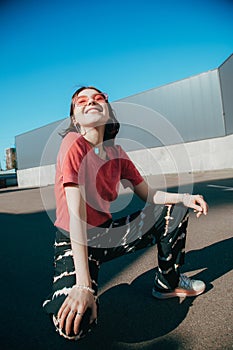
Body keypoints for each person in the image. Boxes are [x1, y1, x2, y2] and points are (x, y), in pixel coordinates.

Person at [43, 86, 208, 340]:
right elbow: (76, 216)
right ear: (75, 118)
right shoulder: (73, 143)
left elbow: (150, 195)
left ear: (108, 111)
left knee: (172, 210)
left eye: (99, 98)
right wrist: (83, 285)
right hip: (74, 239)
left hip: (106, 234)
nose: (91, 102)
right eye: (81, 101)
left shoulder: (117, 154)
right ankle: (86, 285)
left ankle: (168, 283)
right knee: (72, 326)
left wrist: (186, 197)